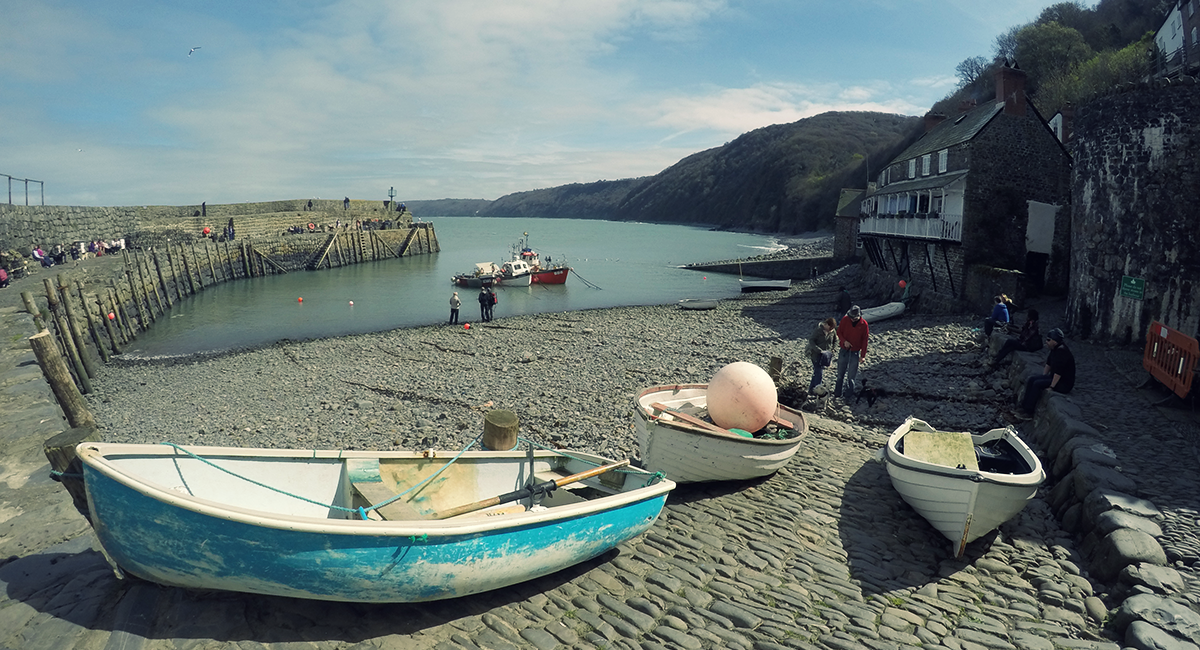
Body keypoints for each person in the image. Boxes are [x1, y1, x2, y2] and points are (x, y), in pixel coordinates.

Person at [1019, 328, 1075, 416]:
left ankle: (1029, 411)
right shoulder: (1054, 349)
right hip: (1054, 377)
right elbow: (1048, 364)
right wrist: (1044, 376)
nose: (1046, 342)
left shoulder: (1062, 352)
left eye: (1048, 340)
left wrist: (1051, 387)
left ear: (1055, 341)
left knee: (1037, 384)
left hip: (1063, 383)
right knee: (1032, 379)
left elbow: (1058, 372)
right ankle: (1023, 406)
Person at [834, 305, 869, 401]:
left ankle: (848, 396)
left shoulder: (864, 324)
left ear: (859, 316)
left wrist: (863, 355)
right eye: (851, 317)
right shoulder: (845, 320)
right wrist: (844, 341)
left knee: (851, 376)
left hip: (855, 352)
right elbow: (839, 332)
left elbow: (865, 341)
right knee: (840, 374)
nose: (852, 319)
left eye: (854, 318)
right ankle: (837, 393)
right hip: (844, 350)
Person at [806, 317, 837, 394]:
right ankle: (818, 391)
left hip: (826, 356)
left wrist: (833, 349)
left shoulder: (832, 331)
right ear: (826, 325)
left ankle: (811, 390)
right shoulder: (818, 330)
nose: (831, 330)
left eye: (832, 329)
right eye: (830, 328)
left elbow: (835, 340)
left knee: (817, 373)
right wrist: (819, 350)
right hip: (816, 355)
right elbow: (811, 341)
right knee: (819, 373)